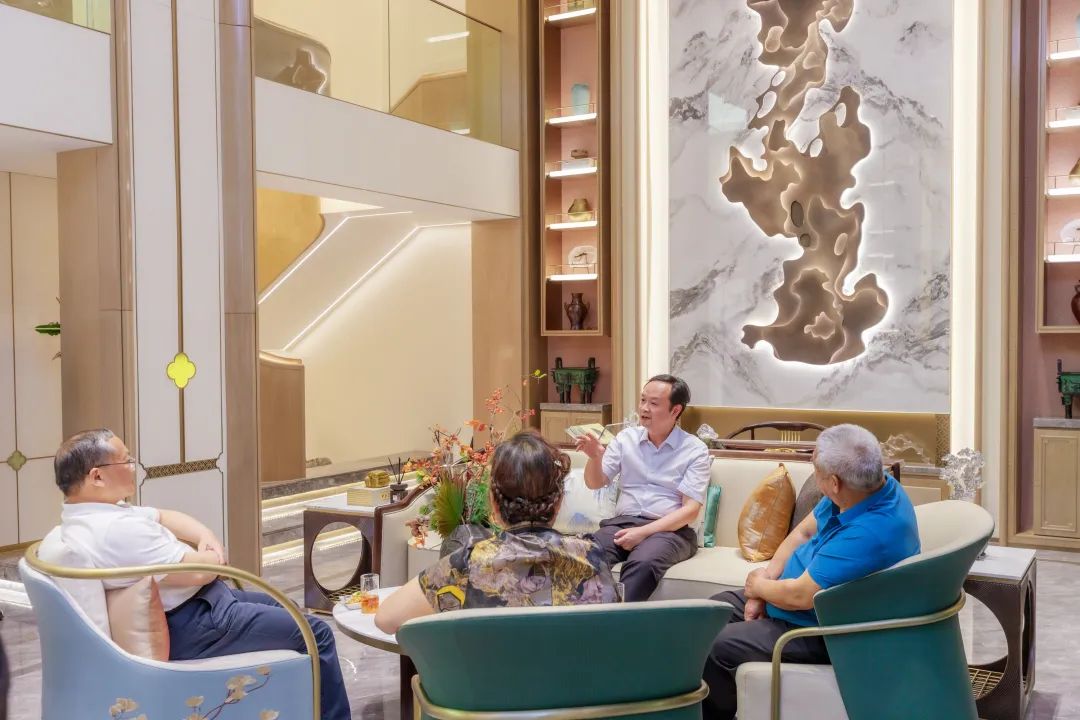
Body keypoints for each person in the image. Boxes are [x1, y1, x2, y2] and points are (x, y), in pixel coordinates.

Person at [49, 429, 351, 720]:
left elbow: (165, 516)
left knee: (291, 611)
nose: (133, 466)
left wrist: (206, 537)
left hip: (206, 602)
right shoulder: (115, 530)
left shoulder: (93, 514)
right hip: (197, 620)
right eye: (126, 460)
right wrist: (212, 557)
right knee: (317, 634)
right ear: (97, 476)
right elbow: (198, 573)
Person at [701, 424, 921, 720]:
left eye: (816, 469)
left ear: (834, 483)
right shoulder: (865, 490)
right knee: (707, 614)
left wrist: (758, 588)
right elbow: (802, 533)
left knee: (717, 646)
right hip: (788, 599)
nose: (813, 471)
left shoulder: (871, 532)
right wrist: (765, 583)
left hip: (821, 629)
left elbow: (800, 596)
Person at [375, 431, 618, 633]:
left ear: (493, 503)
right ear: (558, 502)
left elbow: (386, 619)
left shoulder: (470, 562)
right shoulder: (591, 556)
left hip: (491, 679)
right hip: (571, 678)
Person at [575, 374, 710, 601]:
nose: (644, 408)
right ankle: (580, 619)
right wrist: (595, 457)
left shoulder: (694, 450)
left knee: (643, 563)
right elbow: (595, 482)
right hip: (621, 524)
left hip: (670, 531)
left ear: (676, 410)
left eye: (654, 403)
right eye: (643, 400)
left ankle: (616, 621)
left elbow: (690, 511)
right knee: (584, 554)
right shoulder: (625, 439)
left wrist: (643, 533)